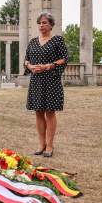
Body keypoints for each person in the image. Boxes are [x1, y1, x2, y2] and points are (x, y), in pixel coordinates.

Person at [24, 12, 68, 158]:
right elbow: (26, 60)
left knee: (50, 112)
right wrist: (30, 67)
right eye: (40, 23)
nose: (41, 25)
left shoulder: (58, 40)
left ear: (51, 25)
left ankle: (50, 145)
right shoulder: (32, 42)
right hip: (36, 81)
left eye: (44, 23)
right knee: (38, 111)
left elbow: (63, 59)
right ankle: (41, 143)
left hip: (51, 80)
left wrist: (47, 66)